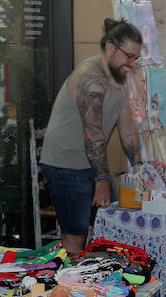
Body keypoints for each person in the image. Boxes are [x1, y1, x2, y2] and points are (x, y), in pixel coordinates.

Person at [39, 19, 141, 255]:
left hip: (92, 163)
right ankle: (71, 287)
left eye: (136, 58)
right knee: (76, 235)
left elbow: (127, 129)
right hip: (66, 163)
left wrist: (142, 170)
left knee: (113, 226)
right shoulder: (91, 77)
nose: (132, 63)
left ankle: (99, 284)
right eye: (129, 56)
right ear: (110, 48)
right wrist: (102, 179)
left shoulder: (119, 78)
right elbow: (93, 132)